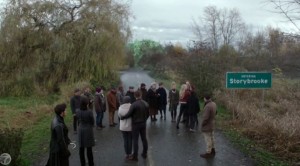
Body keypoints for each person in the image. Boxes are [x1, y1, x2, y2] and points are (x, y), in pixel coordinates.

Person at [120, 90, 149, 161]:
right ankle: (144, 153)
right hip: (143, 123)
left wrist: (122, 117)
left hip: (135, 124)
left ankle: (135, 156)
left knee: (135, 140)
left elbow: (129, 114)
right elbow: (148, 114)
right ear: (141, 95)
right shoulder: (146, 103)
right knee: (144, 139)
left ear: (135, 96)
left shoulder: (134, 104)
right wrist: (144, 119)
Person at [76, 97, 95, 166]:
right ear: (86, 104)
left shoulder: (77, 111)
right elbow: (92, 121)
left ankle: (82, 163)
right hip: (88, 129)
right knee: (89, 148)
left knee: (81, 148)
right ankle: (91, 163)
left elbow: (78, 119)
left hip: (81, 129)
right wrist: (91, 125)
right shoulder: (89, 111)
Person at [200, 94, 217, 158]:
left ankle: (208, 152)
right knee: (212, 138)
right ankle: (213, 150)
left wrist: (202, 124)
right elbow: (216, 112)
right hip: (212, 123)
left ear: (205, 98)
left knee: (208, 139)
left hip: (207, 125)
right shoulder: (214, 104)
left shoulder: (207, 106)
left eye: (204, 98)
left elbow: (205, 118)